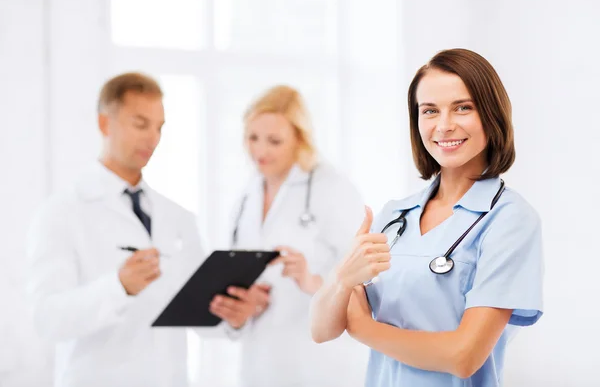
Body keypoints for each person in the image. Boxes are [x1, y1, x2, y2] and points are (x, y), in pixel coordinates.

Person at [310, 49, 544, 386]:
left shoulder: (510, 220)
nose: (445, 125)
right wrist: (343, 279)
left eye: (463, 107)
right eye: (430, 111)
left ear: (491, 114)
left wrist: (363, 327)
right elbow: (321, 329)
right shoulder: (395, 215)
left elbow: (463, 356)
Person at [26, 72, 255, 387]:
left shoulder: (177, 217)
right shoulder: (62, 212)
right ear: (105, 124)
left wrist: (232, 316)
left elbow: (196, 313)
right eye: (140, 123)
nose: (152, 138)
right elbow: (46, 320)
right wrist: (119, 287)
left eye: (159, 127)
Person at [217, 85, 369, 387]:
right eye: (253, 138)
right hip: (261, 364)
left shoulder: (330, 187)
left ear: (299, 138)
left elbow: (366, 281)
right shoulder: (247, 195)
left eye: (274, 141)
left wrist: (311, 280)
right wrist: (244, 305)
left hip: (319, 366)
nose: (260, 151)